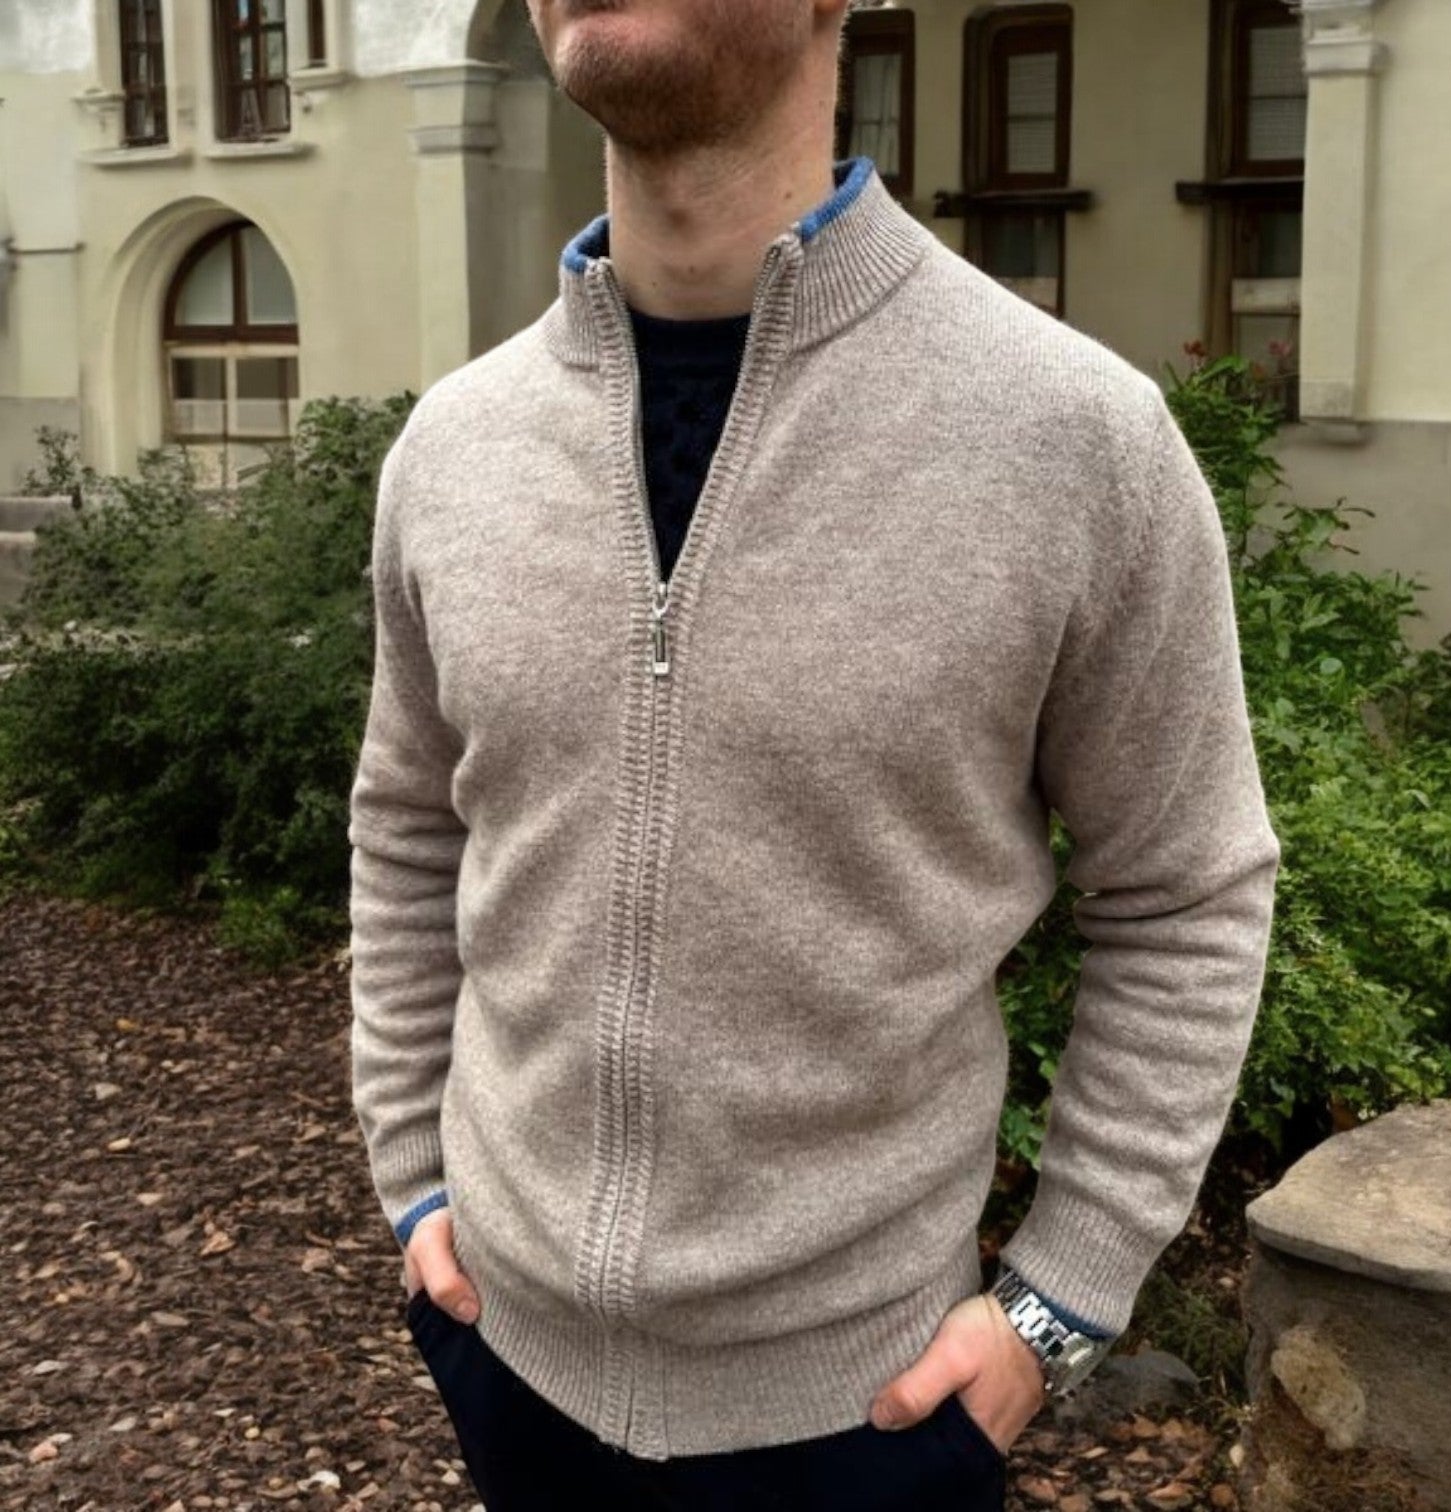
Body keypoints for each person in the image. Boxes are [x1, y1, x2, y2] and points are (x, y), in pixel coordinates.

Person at [345, 1, 1282, 1507]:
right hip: (504, 1358)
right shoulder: (454, 449)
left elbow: (1187, 890)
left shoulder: (1074, 441)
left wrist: (1059, 1300)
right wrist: (412, 1176)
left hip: (871, 1420)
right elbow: (408, 825)